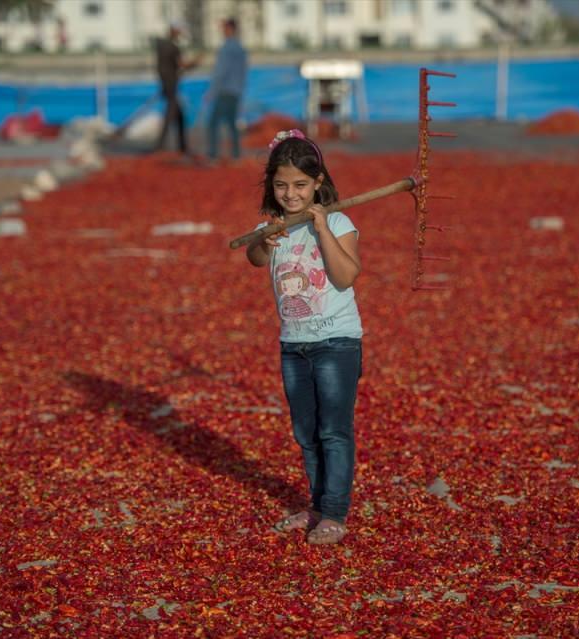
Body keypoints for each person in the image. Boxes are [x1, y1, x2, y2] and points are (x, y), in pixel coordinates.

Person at [245, 129, 363, 545]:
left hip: (336, 342)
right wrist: (264, 238)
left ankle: (334, 512)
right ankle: (315, 505)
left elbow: (346, 277)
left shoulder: (338, 221)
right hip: (293, 344)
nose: (290, 194)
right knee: (305, 431)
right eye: (281, 186)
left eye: (300, 185)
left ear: (318, 183)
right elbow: (255, 257)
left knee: (333, 430)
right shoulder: (275, 226)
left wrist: (321, 227)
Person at [206, 17, 248, 162]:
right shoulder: (240, 48)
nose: (222, 31)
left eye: (224, 28)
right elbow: (243, 72)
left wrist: (211, 92)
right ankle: (236, 156)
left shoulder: (226, 48)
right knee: (232, 124)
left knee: (213, 123)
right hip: (235, 91)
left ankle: (213, 156)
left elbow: (220, 72)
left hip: (225, 91)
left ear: (230, 29)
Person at [154, 20, 199, 155]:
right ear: (175, 31)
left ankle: (182, 145)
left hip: (167, 83)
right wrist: (195, 63)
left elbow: (164, 67)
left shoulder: (162, 46)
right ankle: (160, 145)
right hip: (171, 84)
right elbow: (182, 65)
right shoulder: (173, 47)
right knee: (171, 114)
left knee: (179, 115)